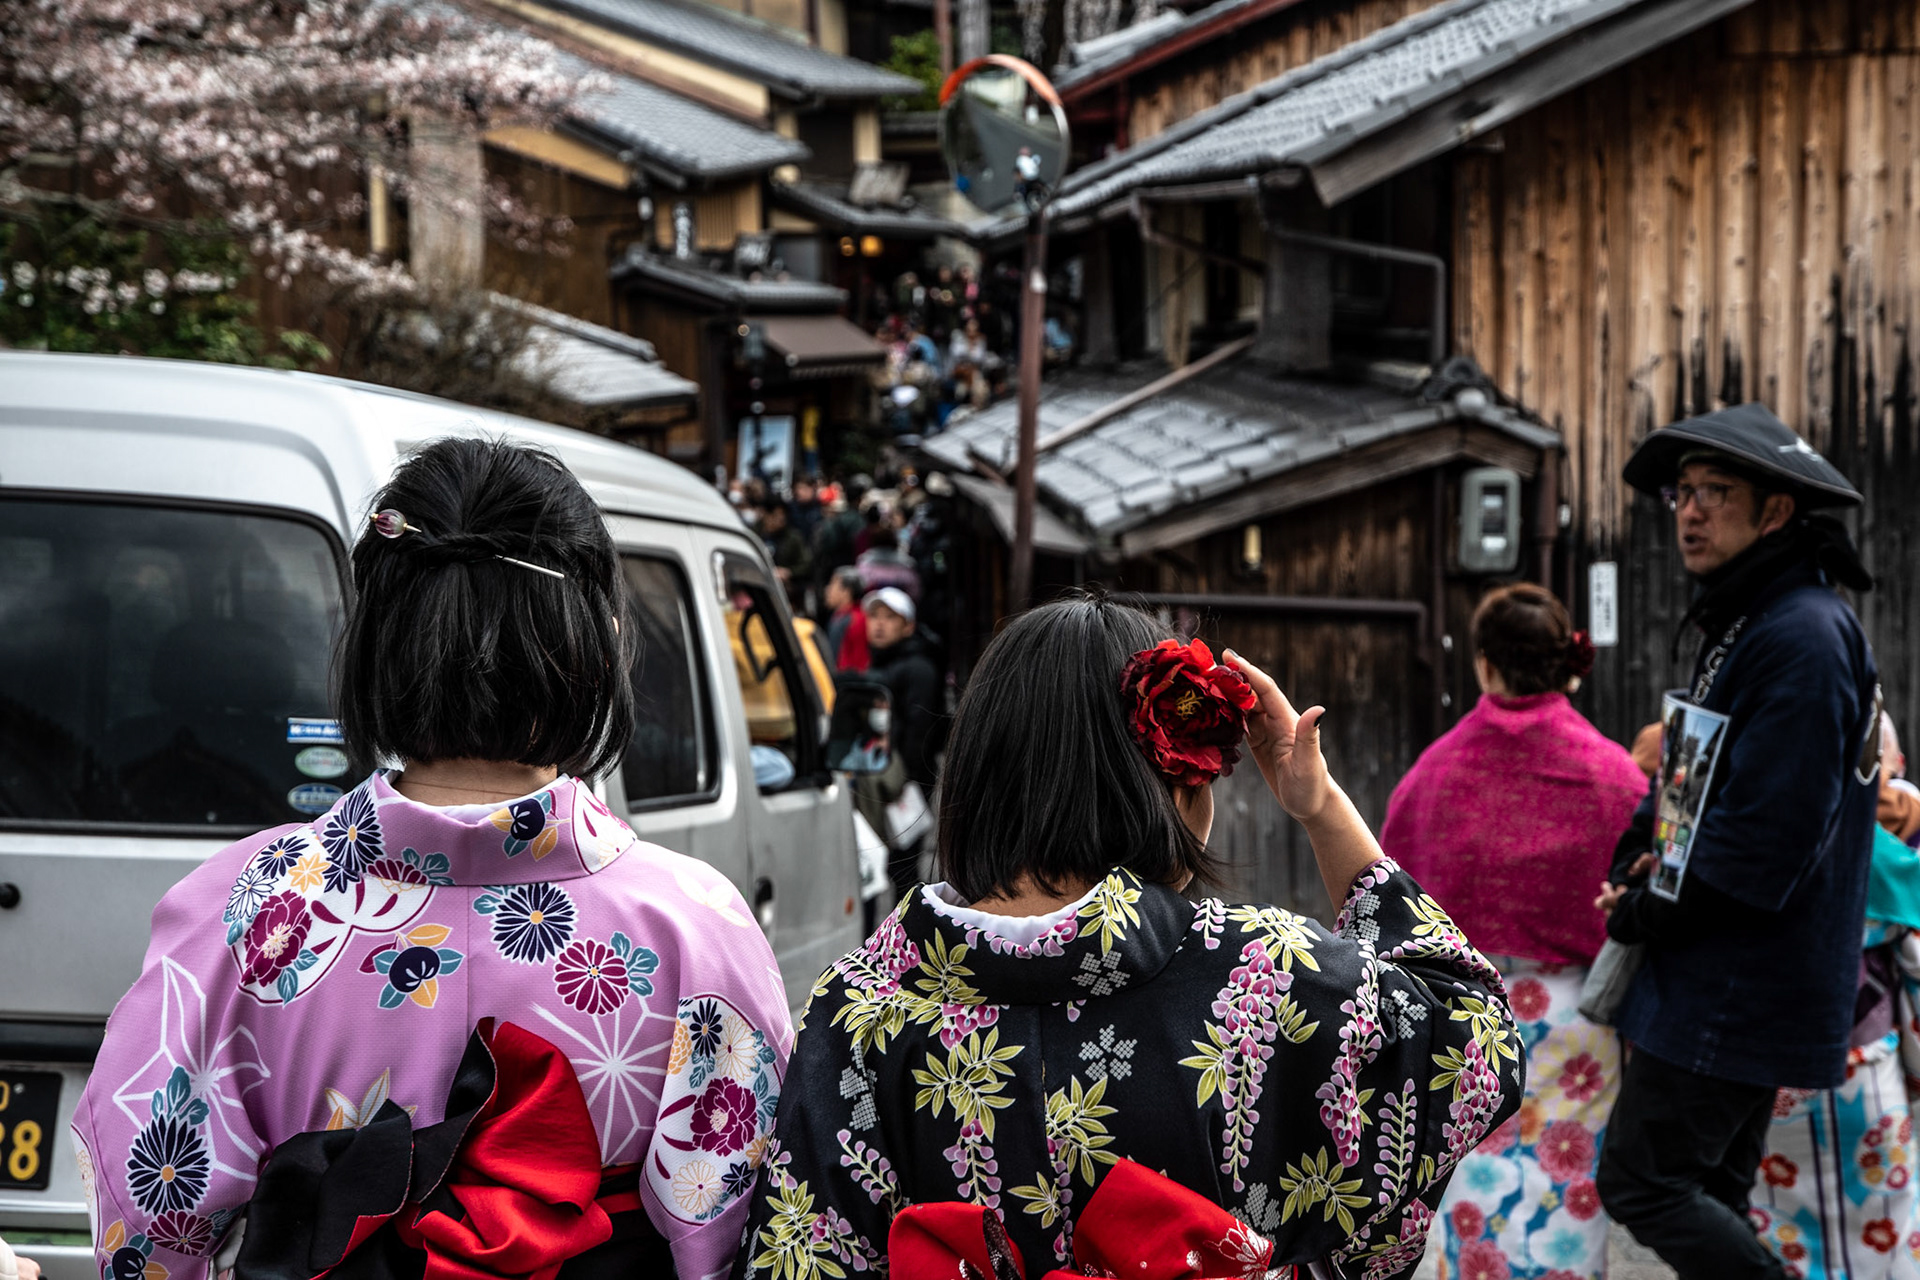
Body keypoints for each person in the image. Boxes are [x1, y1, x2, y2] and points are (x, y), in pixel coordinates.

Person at [73, 438, 791, 1280]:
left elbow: (150, 1226)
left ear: (377, 642)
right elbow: (737, 1238)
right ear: (592, 649)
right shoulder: (691, 926)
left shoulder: (243, 912)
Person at [729, 597, 1522, 1278]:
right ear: (1180, 781)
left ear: (974, 776)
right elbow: (1477, 1041)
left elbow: (795, 1252)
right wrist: (1321, 809)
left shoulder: (861, 1006)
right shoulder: (1270, 974)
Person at [1594, 403, 1881, 1280]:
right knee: (1710, 1190)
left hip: (1739, 975)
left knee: (1642, 1183)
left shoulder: (1802, 634)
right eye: (1684, 492)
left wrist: (1644, 909)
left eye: (1717, 492)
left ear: (1777, 513)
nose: (1689, 510)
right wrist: (1638, 856)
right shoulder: (1752, 617)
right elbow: (1691, 779)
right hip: (1723, 965)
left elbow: (1765, 842)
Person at [1381, 583, 1645, 1280]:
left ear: (1485, 666)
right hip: (1576, 1016)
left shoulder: (1432, 775)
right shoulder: (1614, 775)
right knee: (1569, 1194)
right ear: (1567, 665)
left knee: (1463, 1194)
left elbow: (1387, 899)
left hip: (1461, 1017)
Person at [1746, 712, 1920, 1278]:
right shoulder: (1886, 854)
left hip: (1768, 1076)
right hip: (1864, 1074)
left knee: (1780, 1240)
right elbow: (1914, 969)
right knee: (1884, 1242)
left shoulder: (1751, 834)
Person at [757, 499, 811, 608]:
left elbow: (806, 564)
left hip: (787, 593)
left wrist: (789, 572)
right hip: (759, 589)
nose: (780, 520)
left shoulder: (793, 538)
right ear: (766, 515)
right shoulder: (754, 535)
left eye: (783, 516)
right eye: (776, 516)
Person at [824, 565, 869, 673]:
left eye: (832, 584)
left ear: (846, 591)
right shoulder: (840, 616)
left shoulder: (855, 619)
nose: (827, 589)